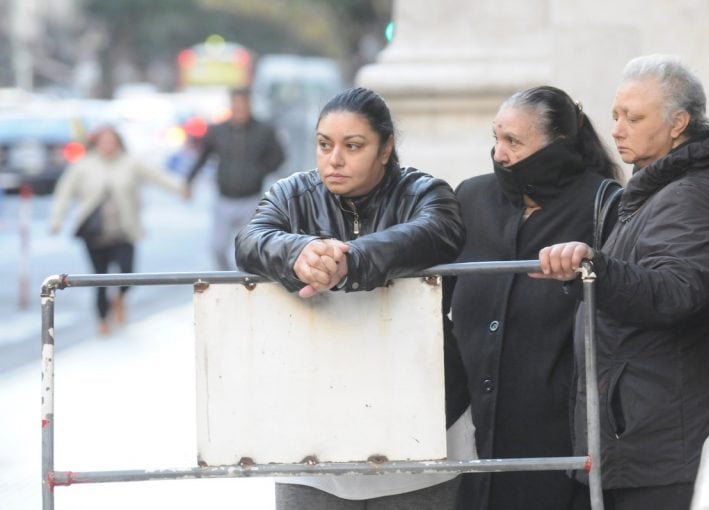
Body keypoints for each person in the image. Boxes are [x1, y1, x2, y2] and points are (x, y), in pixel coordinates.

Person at [533, 54, 709, 509]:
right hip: (653, 439)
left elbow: (675, 292)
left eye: (633, 117)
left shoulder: (692, 194)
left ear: (679, 123)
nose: (616, 128)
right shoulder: (664, 185)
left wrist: (595, 267)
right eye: (616, 114)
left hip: (667, 448)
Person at [235, 87, 472, 509]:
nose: (334, 159)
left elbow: (438, 232)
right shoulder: (290, 195)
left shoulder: (425, 193)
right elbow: (250, 240)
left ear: (386, 148)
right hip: (313, 423)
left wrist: (350, 261)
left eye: (353, 145)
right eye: (324, 145)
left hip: (417, 418)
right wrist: (298, 253)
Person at [444, 85, 623, 509]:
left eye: (513, 141)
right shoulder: (470, 198)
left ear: (558, 144)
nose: (500, 154)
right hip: (470, 433)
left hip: (559, 441)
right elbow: (433, 303)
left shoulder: (605, 205)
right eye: (496, 138)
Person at [49, 125, 190, 336]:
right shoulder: (84, 165)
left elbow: (157, 176)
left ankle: (120, 299)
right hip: (95, 233)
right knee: (99, 278)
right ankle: (102, 319)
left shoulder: (130, 163)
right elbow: (65, 191)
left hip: (124, 230)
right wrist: (57, 219)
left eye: (111, 141)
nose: (107, 146)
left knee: (127, 274)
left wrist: (180, 188)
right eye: (103, 142)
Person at [186, 87, 285, 270]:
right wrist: (189, 180)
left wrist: (259, 171)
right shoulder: (218, 131)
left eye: (243, 106)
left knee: (249, 247)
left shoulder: (263, 130)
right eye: (236, 106)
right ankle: (226, 278)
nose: (240, 110)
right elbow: (203, 157)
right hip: (224, 198)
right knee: (217, 247)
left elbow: (279, 156)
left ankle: (245, 280)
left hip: (251, 198)